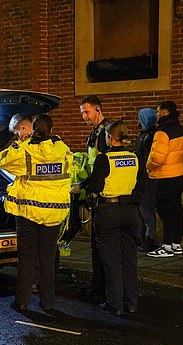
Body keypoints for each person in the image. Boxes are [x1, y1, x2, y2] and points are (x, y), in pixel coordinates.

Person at [0, 113, 72, 313]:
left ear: (32, 130)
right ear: (51, 129)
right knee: (48, 259)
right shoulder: (63, 150)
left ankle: (22, 301)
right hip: (54, 213)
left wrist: (19, 143)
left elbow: (3, 161)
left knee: (27, 257)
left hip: (29, 212)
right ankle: (48, 303)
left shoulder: (26, 151)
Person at [85, 120, 145, 315]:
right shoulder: (135, 157)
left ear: (110, 138)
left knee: (111, 261)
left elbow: (95, 186)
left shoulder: (105, 159)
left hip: (109, 211)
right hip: (130, 212)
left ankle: (115, 304)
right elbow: (142, 185)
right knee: (129, 259)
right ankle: (131, 302)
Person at [72, 95, 110, 302]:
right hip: (93, 192)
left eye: (86, 112)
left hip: (101, 194)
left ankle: (102, 287)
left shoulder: (105, 133)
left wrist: (84, 187)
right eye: (82, 113)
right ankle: (97, 284)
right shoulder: (95, 133)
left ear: (98, 109)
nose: (84, 117)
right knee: (96, 246)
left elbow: (101, 168)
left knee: (101, 246)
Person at [146, 101, 183, 258]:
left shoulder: (162, 132)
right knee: (177, 210)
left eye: (158, 112)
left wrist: (148, 166)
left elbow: (157, 157)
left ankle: (167, 246)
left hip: (164, 176)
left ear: (164, 113)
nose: (156, 115)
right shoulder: (180, 129)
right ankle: (176, 244)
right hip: (178, 173)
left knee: (165, 212)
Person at [135, 108, 158, 252]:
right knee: (141, 210)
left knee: (147, 209)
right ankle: (142, 236)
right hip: (140, 176)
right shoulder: (143, 135)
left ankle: (150, 238)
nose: (138, 121)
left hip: (147, 178)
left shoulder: (151, 136)